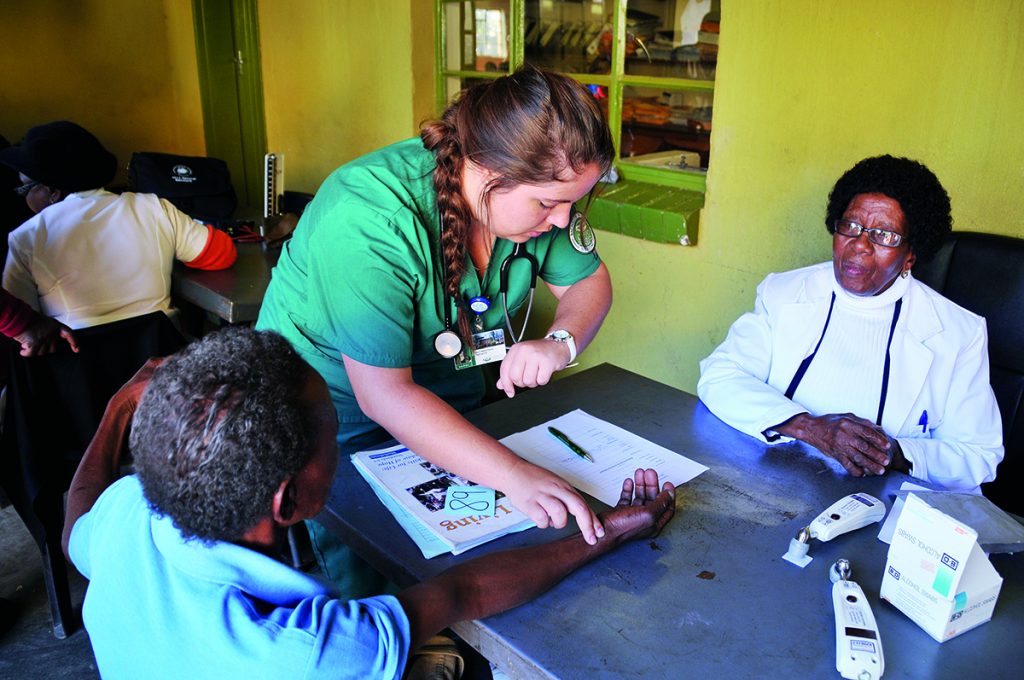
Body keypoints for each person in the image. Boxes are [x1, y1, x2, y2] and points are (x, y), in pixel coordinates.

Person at [62, 328, 676, 679]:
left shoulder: (130, 511)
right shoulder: (307, 652)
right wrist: (613, 531)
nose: (342, 443)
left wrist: (119, 409)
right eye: (334, 436)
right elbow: (462, 594)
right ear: (288, 500)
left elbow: (77, 517)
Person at [256, 66, 615, 552]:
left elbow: (590, 281)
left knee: (484, 550)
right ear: (487, 171)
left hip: (450, 400)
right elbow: (384, 397)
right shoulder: (369, 220)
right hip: (335, 419)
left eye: (573, 203)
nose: (562, 220)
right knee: (377, 570)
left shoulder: (534, 210)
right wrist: (511, 473)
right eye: (548, 204)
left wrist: (561, 342)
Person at [697, 155, 1003, 492]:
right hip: (777, 486)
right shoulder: (785, 293)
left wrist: (896, 454)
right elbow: (720, 376)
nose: (859, 245)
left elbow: (979, 455)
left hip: (885, 510)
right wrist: (810, 428)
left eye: (883, 235)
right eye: (851, 226)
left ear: (911, 255)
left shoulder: (958, 334)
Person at [0, 120, 236, 330]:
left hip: (79, 370)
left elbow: (25, 323)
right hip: (159, 364)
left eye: (25, 188)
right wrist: (165, 249)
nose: (22, 197)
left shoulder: (26, 237)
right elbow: (221, 254)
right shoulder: (152, 207)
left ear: (52, 190)